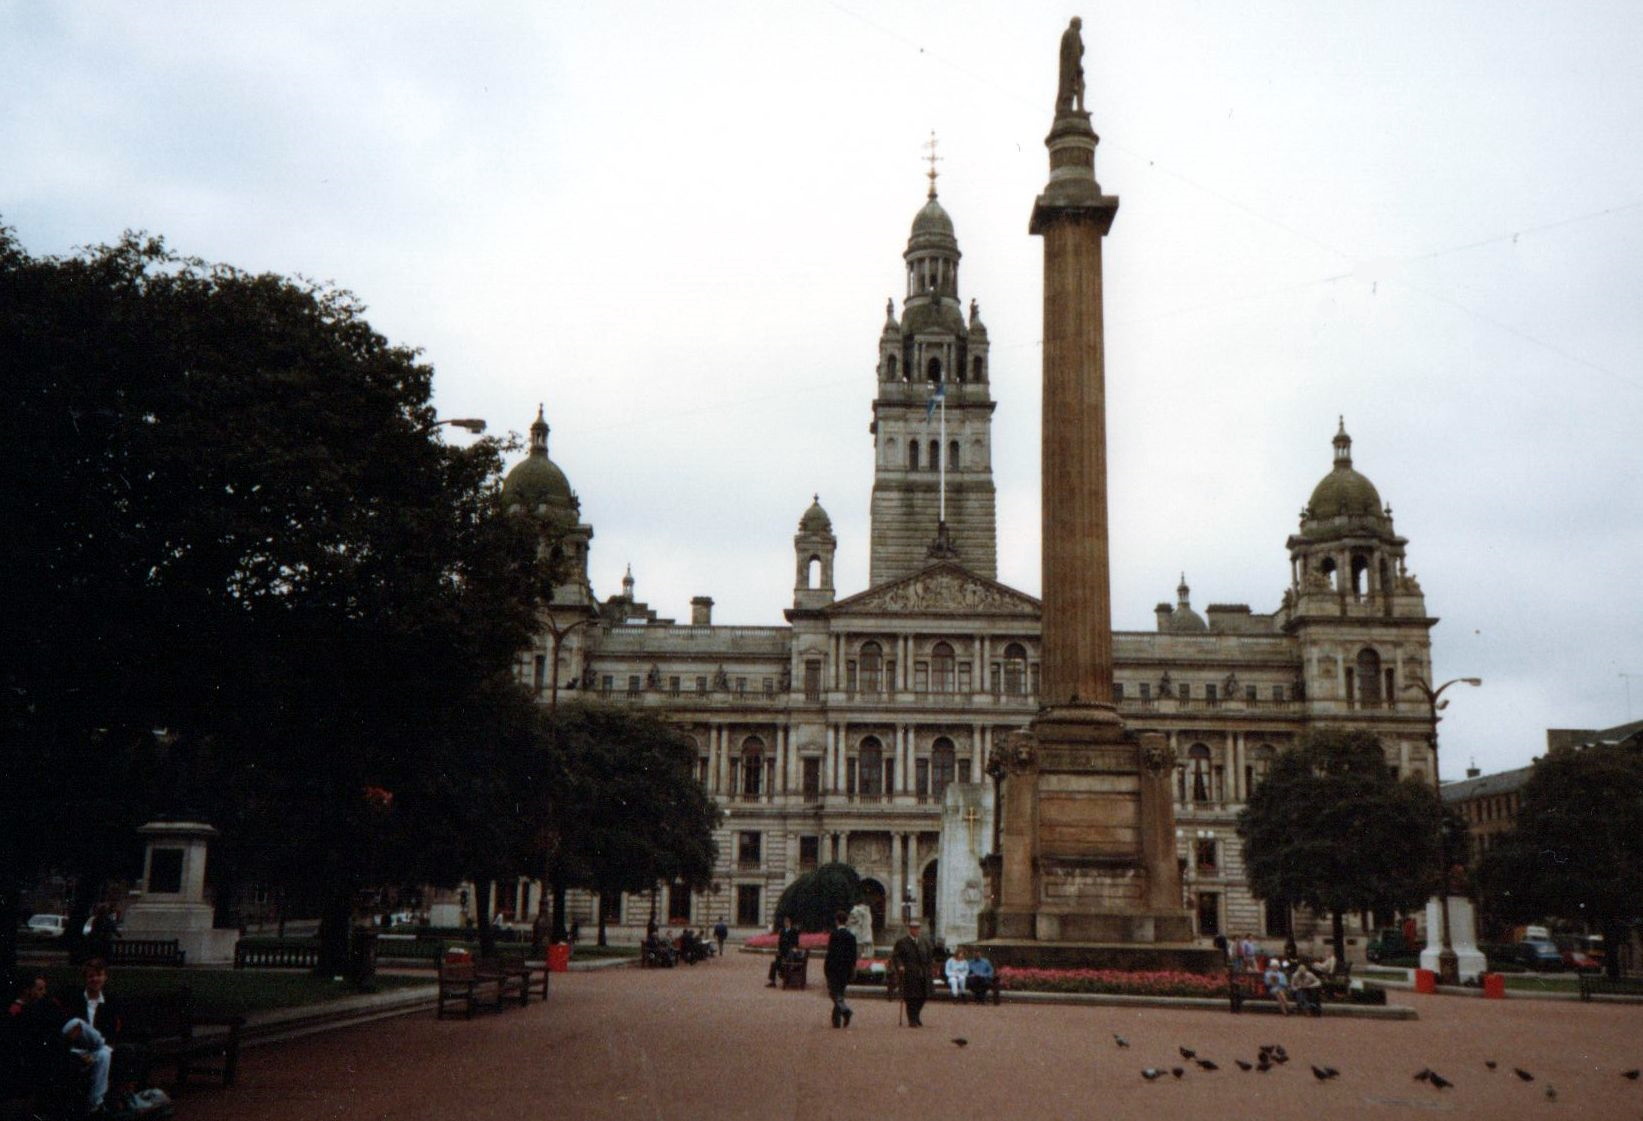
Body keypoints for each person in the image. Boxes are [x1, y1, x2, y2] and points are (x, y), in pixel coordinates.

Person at [891, 917, 934, 1027]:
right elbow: (896, 956)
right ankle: (912, 1020)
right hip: (909, 973)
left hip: (922, 972)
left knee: (923, 996)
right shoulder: (902, 942)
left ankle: (916, 1015)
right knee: (911, 997)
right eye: (914, 928)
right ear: (909, 929)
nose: (916, 930)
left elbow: (929, 956)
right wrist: (900, 965)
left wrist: (929, 968)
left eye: (918, 928)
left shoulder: (924, 942)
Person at [823, 909, 857, 1029]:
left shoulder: (834, 935)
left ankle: (845, 1012)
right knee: (839, 994)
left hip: (834, 969)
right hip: (845, 971)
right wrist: (852, 970)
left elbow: (830, 953)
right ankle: (837, 1019)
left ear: (837, 921)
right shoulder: (851, 936)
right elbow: (854, 956)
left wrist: (826, 969)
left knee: (834, 994)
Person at [767, 915, 799, 987]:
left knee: (784, 963)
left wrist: (793, 948)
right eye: (785, 922)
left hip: (790, 954)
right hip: (782, 953)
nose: (786, 923)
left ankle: (785, 978)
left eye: (787, 922)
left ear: (790, 922)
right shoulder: (782, 931)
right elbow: (780, 943)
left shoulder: (794, 931)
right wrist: (779, 951)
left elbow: (796, 943)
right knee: (774, 964)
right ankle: (772, 981)